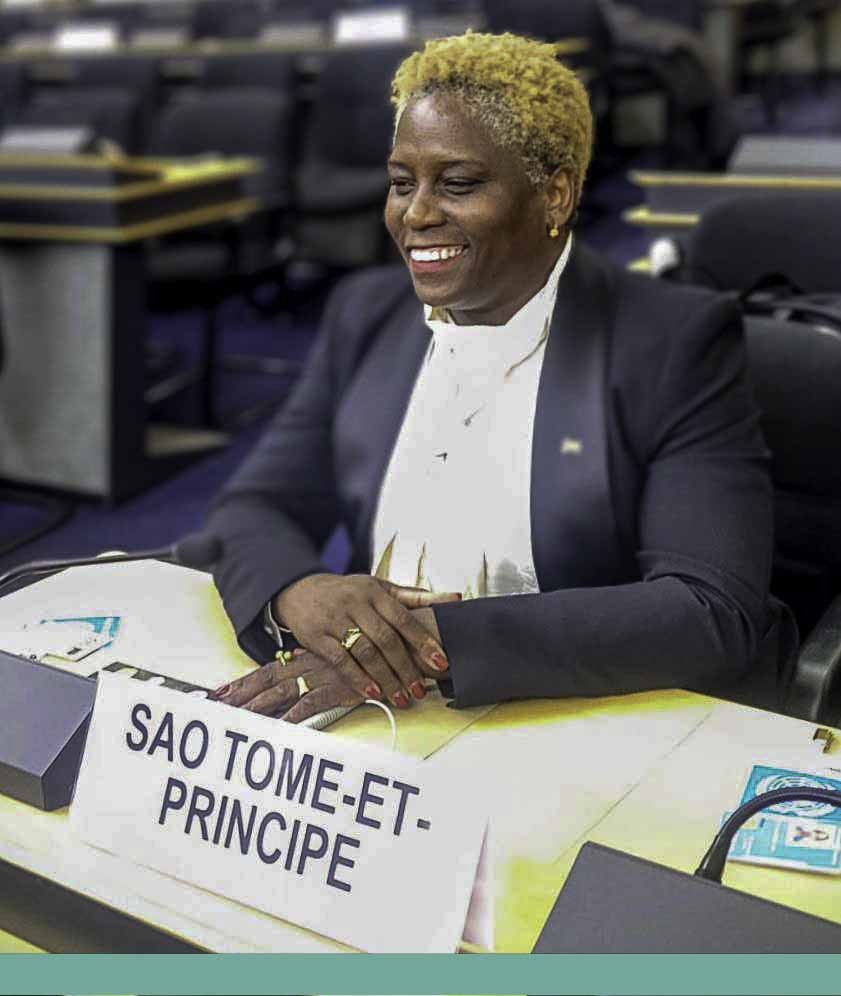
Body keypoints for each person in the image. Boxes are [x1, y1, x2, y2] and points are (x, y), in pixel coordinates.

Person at [206, 32, 784, 723]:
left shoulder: (671, 341)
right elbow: (253, 508)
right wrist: (301, 593)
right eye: (401, 183)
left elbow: (709, 609)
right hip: (378, 714)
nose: (416, 213)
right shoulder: (367, 314)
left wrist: (416, 645)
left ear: (554, 196)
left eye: (458, 184)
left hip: (576, 715)